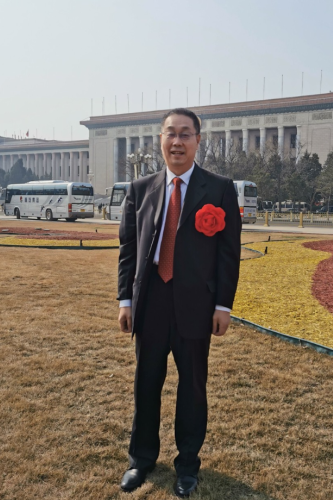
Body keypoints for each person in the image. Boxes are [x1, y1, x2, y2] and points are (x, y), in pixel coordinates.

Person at [117, 108, 241, 497]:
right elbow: (127, 249)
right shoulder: (140, 189)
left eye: (185, 134)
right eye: (170, 133)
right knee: (146, 384)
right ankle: (141, 460)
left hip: (196, 305)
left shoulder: (219, 189)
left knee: (192, 388)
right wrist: (125, 300)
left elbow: (228, 254)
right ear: (160, 140)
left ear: (198, 141)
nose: (177, 141)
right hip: (151, 300)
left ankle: (187, 465)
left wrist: (223, 306)